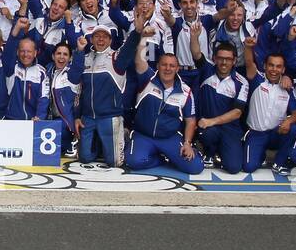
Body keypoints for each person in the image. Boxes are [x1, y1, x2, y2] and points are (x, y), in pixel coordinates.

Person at [69, 24, 141, 167]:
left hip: (110, 117)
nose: (100, 39)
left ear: (110, 40)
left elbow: (130, 46)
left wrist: (137, 31)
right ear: (91, 39)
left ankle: (122, 137)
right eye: (97, 36)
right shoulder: (85, 57)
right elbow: (74, 79)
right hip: (88, 117)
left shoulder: (116, 58)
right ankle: (100, 143)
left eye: (104, 36)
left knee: (115, 162)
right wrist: (79, 51)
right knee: (84, 158)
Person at [127, 46, 203, 176]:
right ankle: (160, 159)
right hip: (143, 135)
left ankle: (170, 154)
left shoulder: (186, 92)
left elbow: (190, 121)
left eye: (172, 66)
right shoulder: (147, 79)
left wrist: (187, 143)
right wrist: (143, 38)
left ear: (177, 69)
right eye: (164, 65)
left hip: (169, 137)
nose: (168, 69)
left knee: (195, 167)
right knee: (134, 162)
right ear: (158, 66)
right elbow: (139, 61)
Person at [194, 42, 248, 173]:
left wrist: (211, 121)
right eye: (220, 58)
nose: (224, 62)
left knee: (234, 168)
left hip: (230, 129)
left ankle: (223, 151)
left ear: (234, 60)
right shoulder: (207, 70)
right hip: (208, 128)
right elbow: (196, 54)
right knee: (206, 133)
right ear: (214, 59)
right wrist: (194, 36)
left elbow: (237, 113)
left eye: (228, 59)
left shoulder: (242, 82)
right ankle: (209, 152)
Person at [241, 45, 294, 174]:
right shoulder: (257, 80)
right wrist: (248, 47)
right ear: (264, 66)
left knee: (294, 128)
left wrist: (289, 121)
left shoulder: (288, 88)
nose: (274, 69)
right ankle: (260, 155)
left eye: (278, 66)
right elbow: (249, 62)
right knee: (248, 167)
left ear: (283, 69)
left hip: (276, 133)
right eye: (271, 65)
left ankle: (279, 162)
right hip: (256, 134)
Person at [4, 37, 50, 121]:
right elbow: (8, 51)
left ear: (35, 53)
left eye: (29, 51)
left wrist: (40, 117)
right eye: (22, 51)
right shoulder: (12, 68)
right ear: (17, 52)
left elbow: (43, 98)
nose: (25, 54)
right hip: (11, 119)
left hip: (32, 120)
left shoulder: (41, 72)